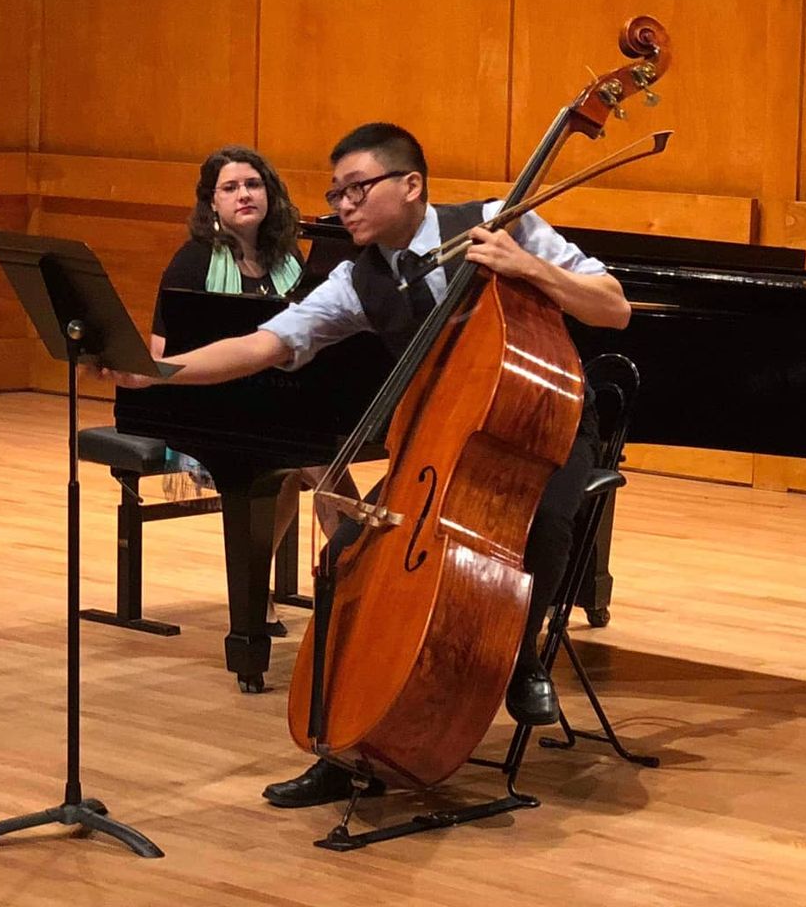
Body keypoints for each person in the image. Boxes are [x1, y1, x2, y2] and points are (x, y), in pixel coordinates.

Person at [108, 122, 631, 807]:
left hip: (538, 424)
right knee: (351, 559)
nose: (343, 205)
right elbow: (266, 343)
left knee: (543, 523)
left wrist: (528, 266)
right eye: (337, 193)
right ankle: (344, 742)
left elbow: (614, 306)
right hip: (442, 438)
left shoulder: (500, 224)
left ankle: (521, 653)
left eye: (358, 189)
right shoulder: (359, 279)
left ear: (410, 185)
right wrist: (157, 372)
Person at [148, 145, 354, 636]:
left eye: (253, 184)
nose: (244, 194)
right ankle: (358, 571)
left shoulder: (288, 259)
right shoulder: (192, 262)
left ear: (270, 194)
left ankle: (260, 588)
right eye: (231, 187)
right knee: (318, 456)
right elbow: (160, 355)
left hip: (274, 405)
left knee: (290, 463)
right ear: (211, 204)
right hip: (204, 406)